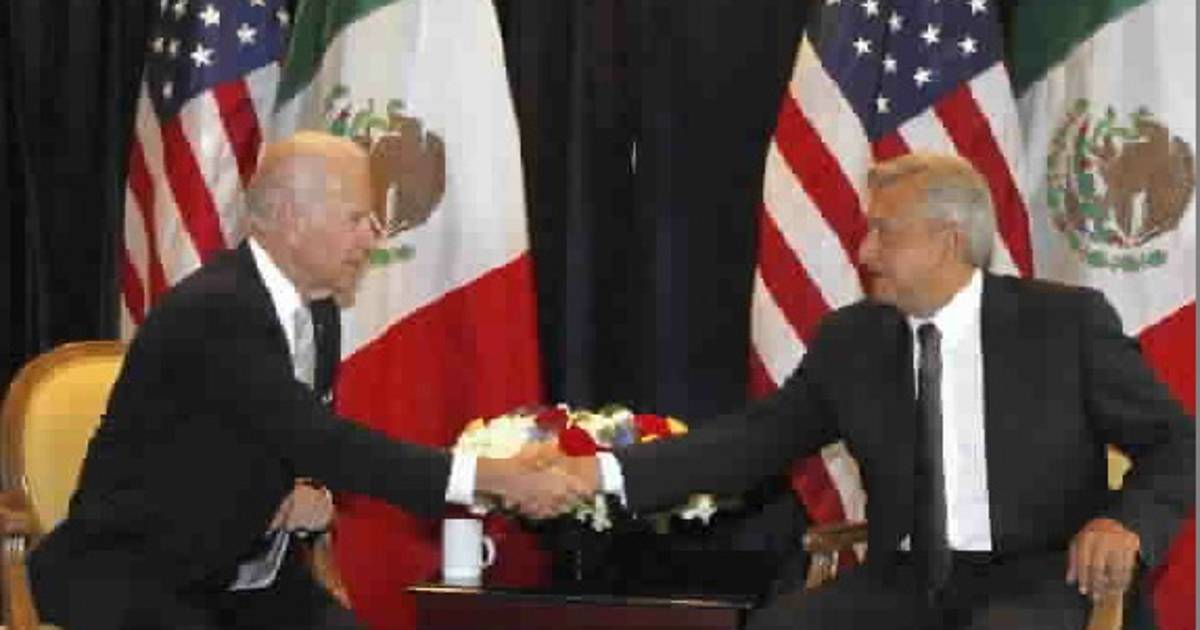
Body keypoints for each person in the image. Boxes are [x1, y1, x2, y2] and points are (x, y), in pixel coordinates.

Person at [551, 153, 1194, 629]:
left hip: (1041, 576)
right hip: (904, 580)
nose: (864, 252)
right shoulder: (852, 340)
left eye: (885, 231)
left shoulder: (1064, 324)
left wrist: (1126, 522)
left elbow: (1176, 442)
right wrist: (599, 473)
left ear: (947, 240)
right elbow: (749, 443)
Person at [29, 131, 586, 629]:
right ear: (292, 218)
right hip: (140, 579)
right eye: (356, 219)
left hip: (248, 585)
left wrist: (303, 490)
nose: (371, 237)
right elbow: (324, 442)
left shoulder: (317, 309)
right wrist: (490, 477)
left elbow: (270, 437)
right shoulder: (217, 310)